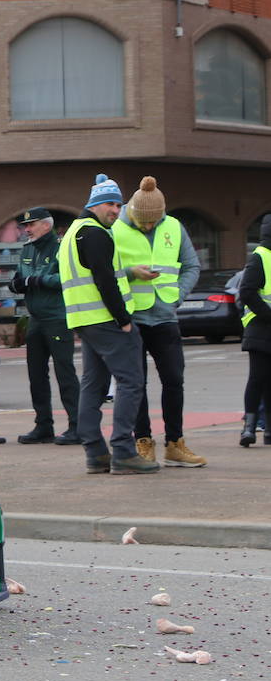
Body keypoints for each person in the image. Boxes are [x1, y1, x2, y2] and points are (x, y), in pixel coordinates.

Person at [59, 174, 160, 475]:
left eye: (119, 205)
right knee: (131, 382)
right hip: (107, 321)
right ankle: (124, 452)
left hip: (84, 321)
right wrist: (124, 319)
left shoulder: (73, 232)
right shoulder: (95, 234)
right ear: (95, 205)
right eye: (110, 205)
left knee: (93, 384)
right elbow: (104, 280)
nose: (116, 211)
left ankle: (95, 453)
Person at [112, 177, 205, 466]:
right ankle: (143, 441)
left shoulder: (174, 226)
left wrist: (176, 295)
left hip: (165, 316)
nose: (149, 227)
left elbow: (191, 266)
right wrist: (130, 272)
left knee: (174, 380)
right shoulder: (114, 228)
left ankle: (175, 443)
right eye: (144, 222)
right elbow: (105, 272)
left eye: (154, 222)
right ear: (133, 213)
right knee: (136, 384)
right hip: (132, 317)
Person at [8, 208, 80, 445]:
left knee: (65, 373)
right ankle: (43, 425)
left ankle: (77, 425)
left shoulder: (61, 247)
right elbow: (22, 275)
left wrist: (38, 281)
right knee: (36, 374)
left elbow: (67, 278)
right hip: (35, 318)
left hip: (56, 317)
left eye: (32, 225)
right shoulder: (28, 249)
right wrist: (16, 284)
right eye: (25, 226)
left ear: (46, 225)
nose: (27, 230)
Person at [238, 215, 271, 448]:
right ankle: (249, 427)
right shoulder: (260, 258)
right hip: (260, 328)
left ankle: (269, 430)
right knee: (258, 378)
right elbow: (247, 291)